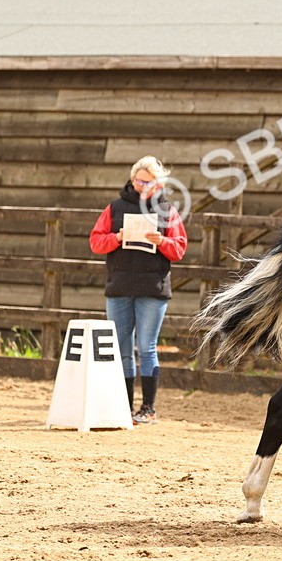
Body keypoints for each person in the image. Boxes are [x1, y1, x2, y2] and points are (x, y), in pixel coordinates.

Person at [89, 156, 187, 423]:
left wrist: (162, 241)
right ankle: (124, 406)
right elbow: (96, 242)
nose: (142, 185)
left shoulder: (168, 210)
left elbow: (179, 248)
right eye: (138, 180)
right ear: (132, 180)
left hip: (152, 288)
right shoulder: (114, 208)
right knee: (121, 348)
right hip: (119, 286)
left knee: (146, 347)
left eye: (148, 181)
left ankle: (149, 408)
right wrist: (117, 237)